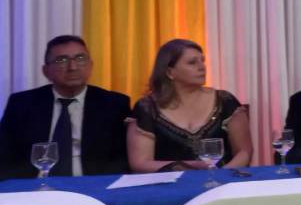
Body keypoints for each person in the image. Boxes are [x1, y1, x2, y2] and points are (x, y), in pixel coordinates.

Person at [0, 35, 130, 179]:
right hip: (34, 185)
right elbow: (5, 155)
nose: (73, 67)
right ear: (46, 71)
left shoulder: (114, 104)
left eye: (80, 58)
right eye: (61, 60)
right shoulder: (22, 103)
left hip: (92, 185)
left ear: (90, 65)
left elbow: (121, 159)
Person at [126, 39, 252, 172]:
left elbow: (244, 152)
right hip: (169, 182)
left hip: (223, 180)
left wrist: (222, 175)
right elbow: (140, 163)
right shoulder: (146, 107)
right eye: (192, 62)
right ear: (169, 72)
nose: (202, 67)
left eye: (202, 61)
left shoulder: (225, 101)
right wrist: (191, 166)